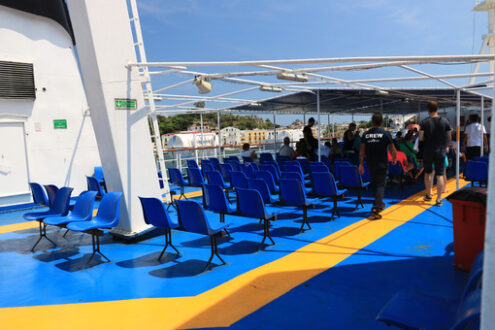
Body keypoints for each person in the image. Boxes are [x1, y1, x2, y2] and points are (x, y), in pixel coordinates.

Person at [359, 113, 396, 220]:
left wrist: (361, 164)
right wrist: (394, 158)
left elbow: (362, 151)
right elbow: (392, 148)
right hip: (382, 163)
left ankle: (379, 203)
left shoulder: (366, 134)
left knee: (376, 184)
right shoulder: (385, 134)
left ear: (372, 121)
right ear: (381, 122)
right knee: (380, 185)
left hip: (370, 163)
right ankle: (375, 208)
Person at [419, 101, 452, 206]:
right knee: (440, 174)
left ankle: (429, 194)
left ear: (428, 110)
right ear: (437, 109)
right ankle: (438, 199)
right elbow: (449, 137)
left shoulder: (424, 122)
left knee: (428, 173)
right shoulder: (445, 121)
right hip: (441, 150)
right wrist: (446, 146)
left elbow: (420, 138)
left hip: (428, 150)